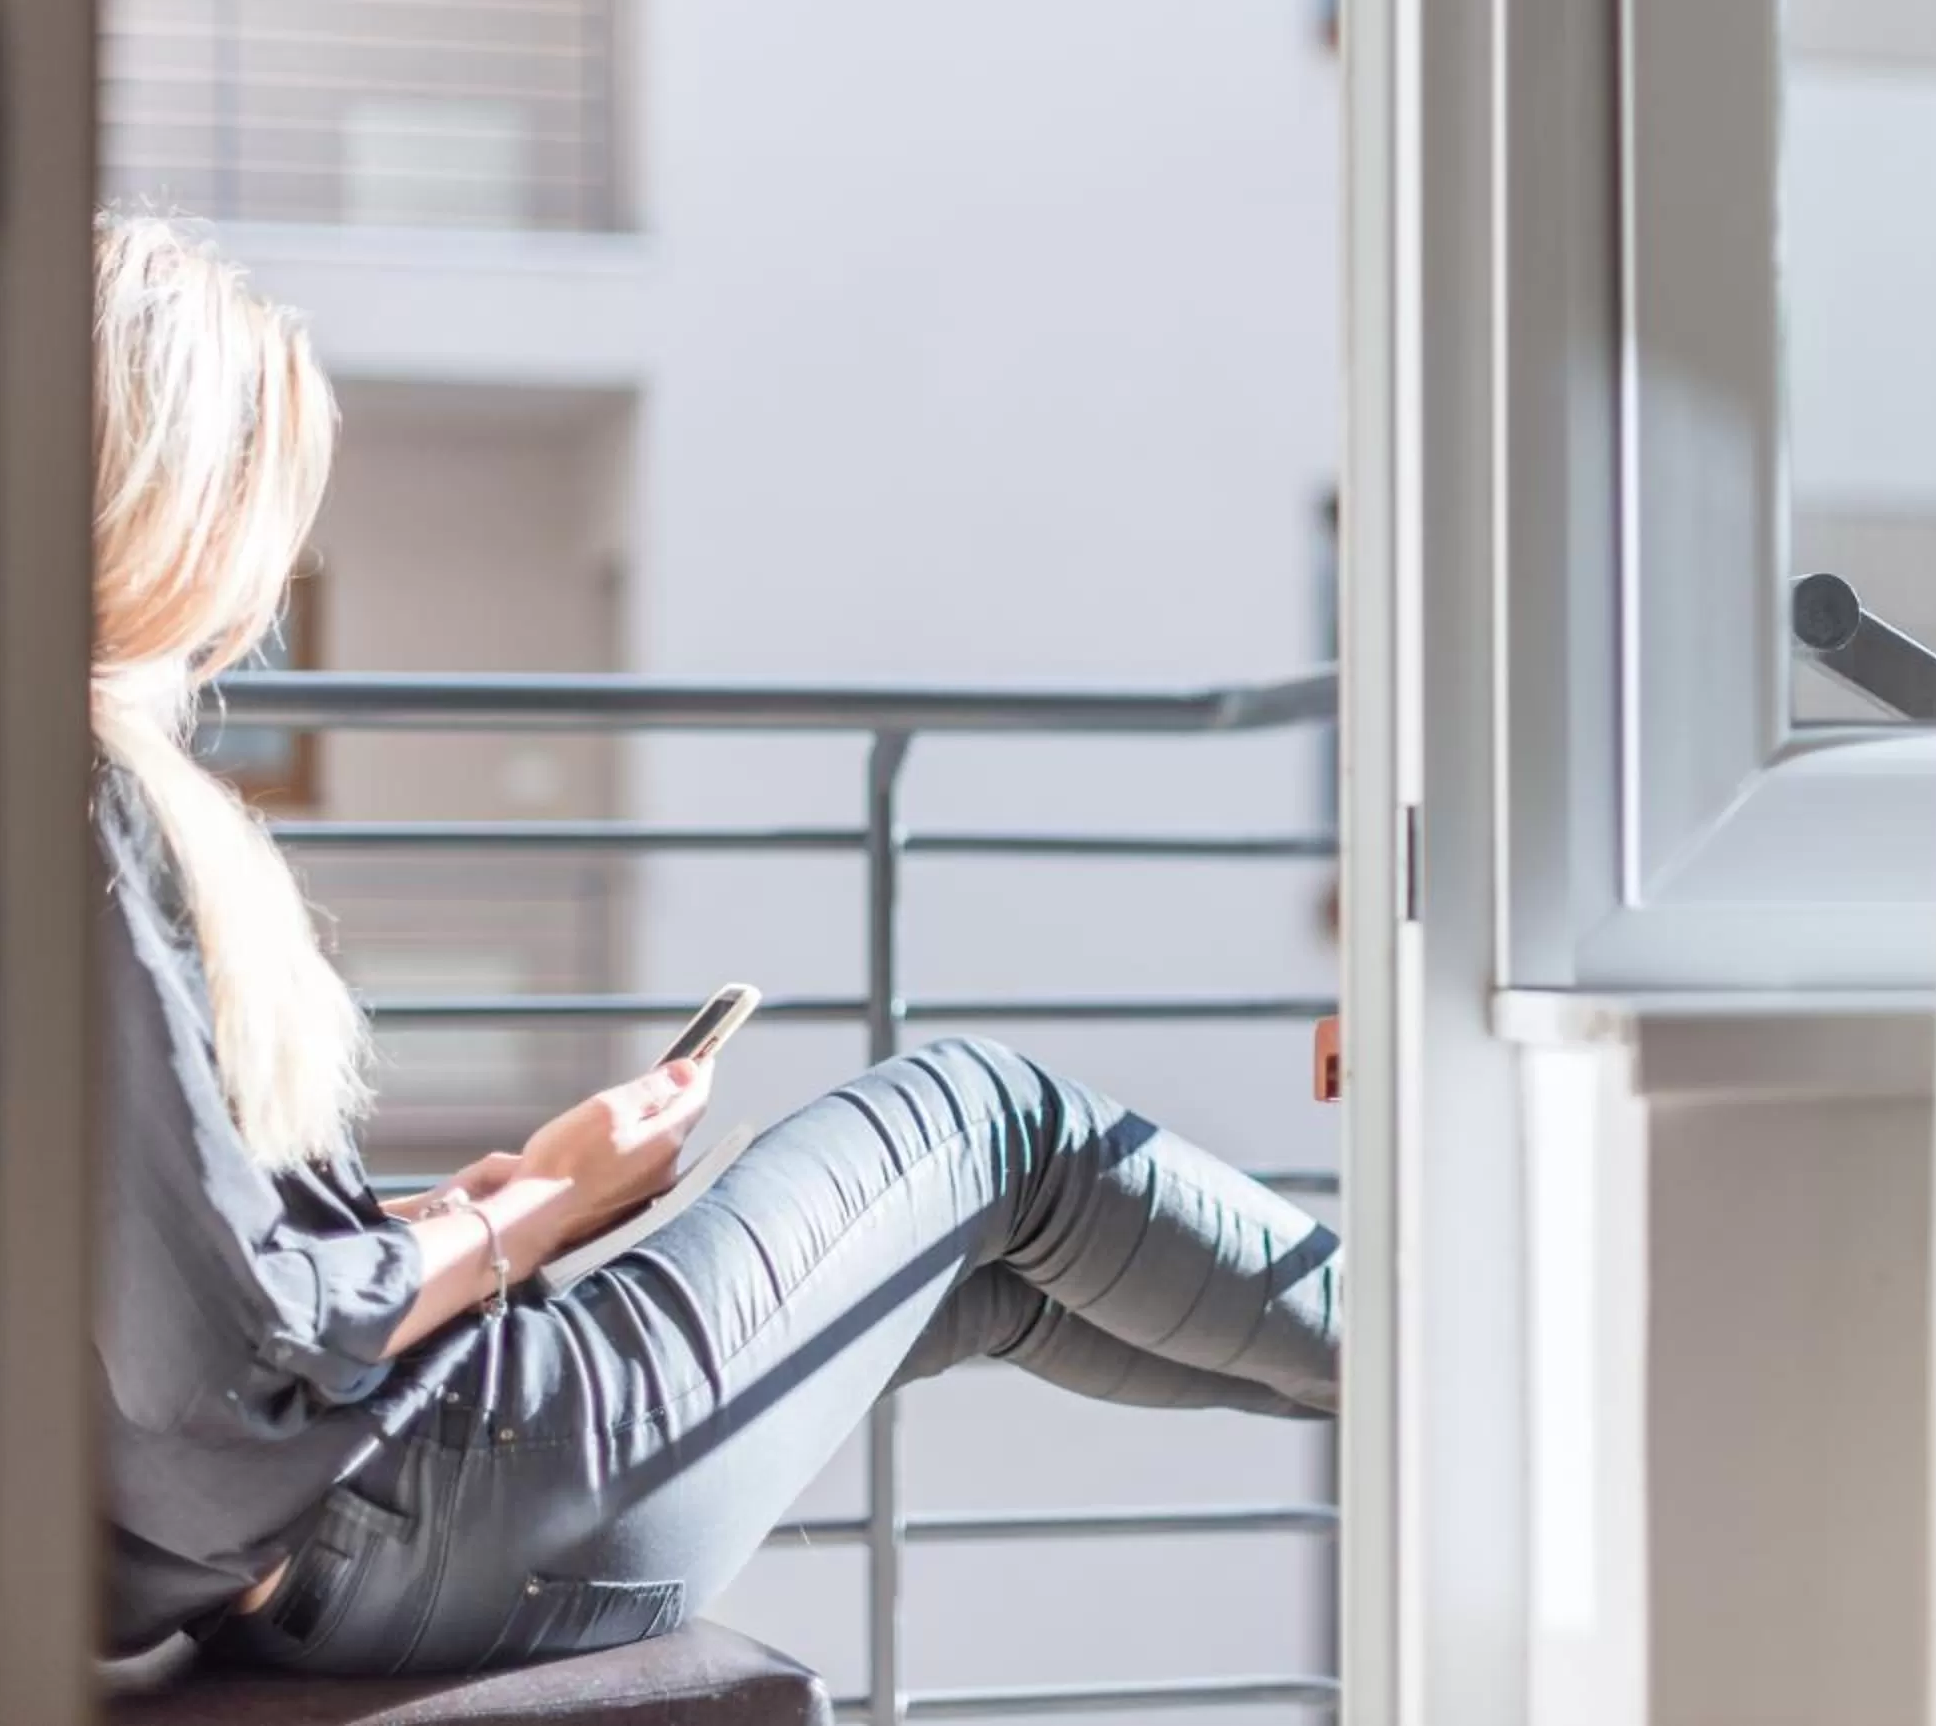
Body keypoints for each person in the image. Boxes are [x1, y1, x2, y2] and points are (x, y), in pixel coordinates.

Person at [92, 217, 1341, 1674]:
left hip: (349, 1537)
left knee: (959, 1280)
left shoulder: (19, 809)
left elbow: (197, 1276)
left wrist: (452, 1217)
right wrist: (533, 1213)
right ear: (167, 500)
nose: (260, 589)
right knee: (994, 1119)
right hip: (428, 1501)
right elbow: (234, 1348)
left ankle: (1419, 1397)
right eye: (255, 513)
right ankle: (1455, 1348)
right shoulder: (81, 808)